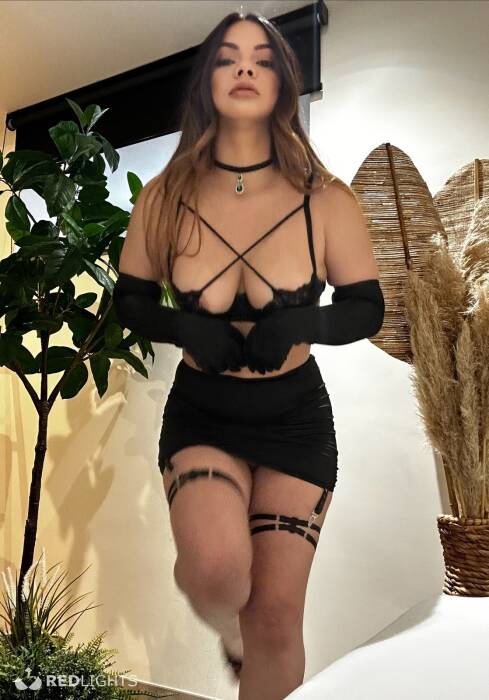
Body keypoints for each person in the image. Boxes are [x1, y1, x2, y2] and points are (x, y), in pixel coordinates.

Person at [113, 11, 384, 700]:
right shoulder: (164, 197)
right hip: (204, 412)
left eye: (262, 58)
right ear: (206, 80)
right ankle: (230, 638)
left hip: (296, 419)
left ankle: (253, 646)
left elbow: (366, 306)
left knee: (275, 618)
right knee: (215, 574)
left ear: (283, 82)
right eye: (228, 56)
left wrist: (303, 325)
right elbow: (130, 300)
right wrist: (182, 326)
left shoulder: (325, 200)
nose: (244, 67)